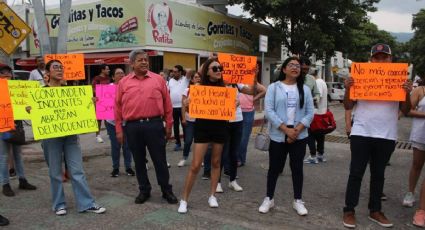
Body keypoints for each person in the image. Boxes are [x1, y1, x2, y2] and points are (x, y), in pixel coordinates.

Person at [342, 43, 412, 228]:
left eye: (384, 57)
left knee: (378, 174)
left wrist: (406, 93)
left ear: (391, 59)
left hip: (386, 134)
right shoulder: (360, 76)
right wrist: (348, 88)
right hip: (361, 132)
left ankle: (375, 210)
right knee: (356, 172)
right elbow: (348, 105)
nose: (380, 60)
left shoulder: (399, 79)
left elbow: (405, 110)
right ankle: (349, 210)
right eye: (377, 57)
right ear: (371, 60)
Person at [40, 60, 106, 215]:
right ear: (47, 73)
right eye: (55, 67)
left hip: (70, 136)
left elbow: (82, 110)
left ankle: (86, 203)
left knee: (77, 170)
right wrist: (30, 109)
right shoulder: (41, 93)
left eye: (61, 67)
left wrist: (90, 103)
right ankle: (59, 204)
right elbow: (33, 113)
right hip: (51, 137)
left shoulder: (71, 91)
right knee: (55, 172)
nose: (59, 69)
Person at [115, 49, 178, 205]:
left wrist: (169, 124)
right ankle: (144, 190)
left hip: (155, 125)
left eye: (145, 59)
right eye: (140, 60)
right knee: (139, 161)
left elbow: (167, 104)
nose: (144, 62)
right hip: (132, 127)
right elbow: (117, 107)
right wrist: (119, 130)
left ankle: (166, 190)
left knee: (160, 160)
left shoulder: (158, 80)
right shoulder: (123, 83)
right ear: (131, 64)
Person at [258, 56, 314, 216]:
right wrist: (286, 129)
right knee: (274, 169)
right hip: (278, 135)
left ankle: (298, 200)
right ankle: (269, 198)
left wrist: (296, 130)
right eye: (291, 65)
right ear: (283, 69)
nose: (295, 67)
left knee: (297, 168)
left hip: (299, 135)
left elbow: (310, 113)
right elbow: (269, 111)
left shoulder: (305, 89)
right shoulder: (274, 88)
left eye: (298, 65)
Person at [178, 58, 229, 214]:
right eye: (214, 68)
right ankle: (184, 199)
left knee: (216, 162)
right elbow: (188, 110)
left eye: (220, 68)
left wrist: (234, 104)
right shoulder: (198, 87)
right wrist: (187, 104)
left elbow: (229, 110)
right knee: (195, 165)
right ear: (207, 71)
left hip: (220, 128)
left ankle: (212, 196)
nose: (219, 70)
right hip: (203, 129)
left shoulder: (225, 88)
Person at [0, 63, 37, 197]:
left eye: (8, 72)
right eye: (3, 73)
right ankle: (5, 184)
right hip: (2, 126)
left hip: (17, 125)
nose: (6, 75)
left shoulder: (17, 88)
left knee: (17, 155)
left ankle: (22, 180)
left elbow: (26, 104)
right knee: (3, 156)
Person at [105, 68, 135, 177]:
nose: (121, 75)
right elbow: (102, 104)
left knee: (127, 146)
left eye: (122, 73)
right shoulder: (108, 89)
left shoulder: (130, 87)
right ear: (113, 77)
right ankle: (116, 168)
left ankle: (128, 167)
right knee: (115, 146)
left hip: (126, 122)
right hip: (112, 123)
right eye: (118, 73)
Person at [405, 76, 425, 227]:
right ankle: (410, 192)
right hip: (421, 134)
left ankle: (422, 209)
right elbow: (408, 111)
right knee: (417, 165)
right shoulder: (420, 90)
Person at [237, 64, 266, 167]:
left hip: (248, 112)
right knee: (236, 137)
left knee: (244, 138)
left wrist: (254, 99)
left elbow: (264, 90)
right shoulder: (235, 80)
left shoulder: (252, 80)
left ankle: (240, 159)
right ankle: (234, 158)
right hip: (236, 112)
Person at [299, 57, 321, 164]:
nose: (304, 71)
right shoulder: (291, 77)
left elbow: (317, 93)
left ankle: (310, 154)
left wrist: (315, 98)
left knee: (306, 135)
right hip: (291, 114)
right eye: (302, 69)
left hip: (306, 113)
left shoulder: (311, 79)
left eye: (306, 69)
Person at [178, 70, 201, 167]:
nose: (198, 79)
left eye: (199, 77)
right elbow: (183, 106)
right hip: (190, 120)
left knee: (200, 142)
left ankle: (200, 159)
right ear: (191, 80)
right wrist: (183, 118)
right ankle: (184, 158)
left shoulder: (206, 90)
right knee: (188, 140)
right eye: (196, 77)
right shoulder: (187, 91)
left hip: (201, 120)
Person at [306, 67, 328, 163]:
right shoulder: (322, 81)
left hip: (316, 113)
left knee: (310, 135)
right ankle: (320, 155)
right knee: (320, 136)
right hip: (322, 113)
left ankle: (313, 155)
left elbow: (317, 98)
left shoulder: (317, 82)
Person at [168, 65, 189, 151]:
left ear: (180, 72)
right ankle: (178, 143)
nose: (174, 73)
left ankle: (186, 143)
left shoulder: (185, 79)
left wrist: (184, 69)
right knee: (175, 126)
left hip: (183, 107)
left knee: (185, 125)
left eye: (176, 71)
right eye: (173, 71)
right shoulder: (170, 81)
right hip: (173, 107)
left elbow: (190, 71)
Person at [92, 64, 111, 143]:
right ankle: (98, 135)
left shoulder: (108, 79)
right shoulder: (97, 78)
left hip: (108, 101)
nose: (108, 70)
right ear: (102, 70)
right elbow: (93, 88)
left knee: (108, 119)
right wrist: (101, 94)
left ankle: (109, 133)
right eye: (107, 69)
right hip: (99, 101)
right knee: (99, 120)